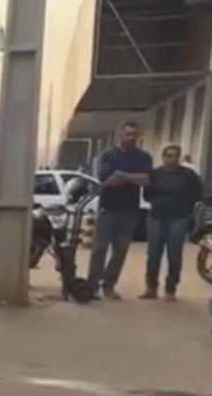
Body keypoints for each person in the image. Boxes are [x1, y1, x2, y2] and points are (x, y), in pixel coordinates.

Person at [88, 120, 152, 300]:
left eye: (134, 134)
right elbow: (105, 181)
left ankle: (109, 286)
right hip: (108, 209)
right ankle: (92, 286)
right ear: (119, 135)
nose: (130, 138)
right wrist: (132, 178)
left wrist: (122, 175)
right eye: (127, 134)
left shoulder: (143, 157)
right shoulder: (107, 156)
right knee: (99, 249)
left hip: (130, 211)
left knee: (120, 251)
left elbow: (147, 180)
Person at [140, 144, 205, 301]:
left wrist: (185, 207)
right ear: (163, 157)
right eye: (168, 155)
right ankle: (151, 287)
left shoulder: (189, 175)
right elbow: (146, 195)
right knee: (153, 254)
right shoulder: (154, 174)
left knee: (174, 255)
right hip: (156, 217)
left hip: (178, 218)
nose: (171, 158)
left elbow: (197, 194)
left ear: (179, 157)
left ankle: (171, 289)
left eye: (175, 155)